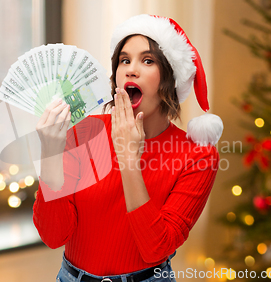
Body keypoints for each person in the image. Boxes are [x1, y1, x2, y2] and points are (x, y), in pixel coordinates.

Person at [33, 14, 223, 282]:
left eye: (148, 60)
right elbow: (53, 236)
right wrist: (50, 153)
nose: (131, 69)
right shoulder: (86, 132)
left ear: (170, 78)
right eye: (124, 60)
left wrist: (128, 159)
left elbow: (156, 247)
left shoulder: (198, 155)